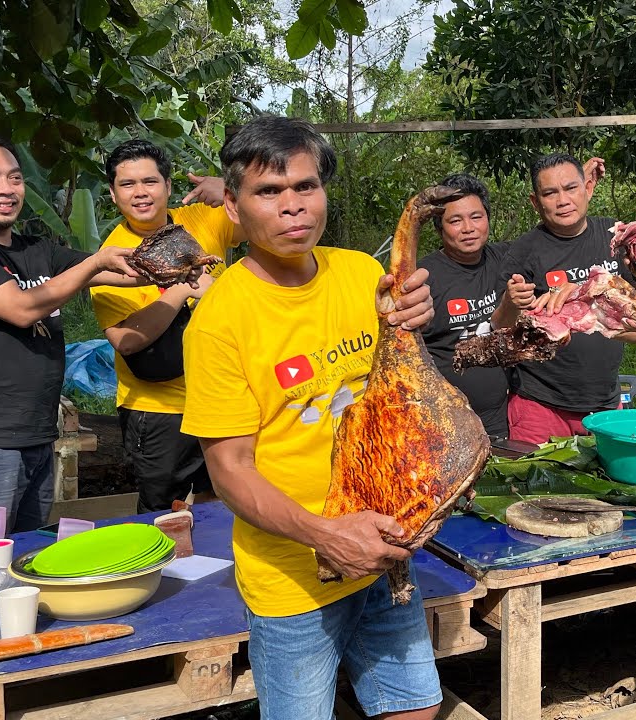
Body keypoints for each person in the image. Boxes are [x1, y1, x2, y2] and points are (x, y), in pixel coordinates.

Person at [180, 116, 442, 719]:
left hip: (383, 551)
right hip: (291, 577)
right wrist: (327, 536)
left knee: (414, 709)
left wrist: (406, 330)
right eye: (269, 192)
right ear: (234, 205)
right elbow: (229, 472)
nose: (292, 206)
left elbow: (396, 398)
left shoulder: (357, 273)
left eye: (306, 186)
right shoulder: (219, 321)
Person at [0, 135, 150, 542]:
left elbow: (120, 272)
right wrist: (96, 259)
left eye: (14, 177)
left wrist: (176, 262)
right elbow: (22, 308)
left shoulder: (37, 250)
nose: (6, 189)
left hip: (37, 434)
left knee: (24, 550)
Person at [89, 139, 241, 513]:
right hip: (158, 408)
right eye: (127, 185)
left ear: (168, 187)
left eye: (150, 181)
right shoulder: (112, 257)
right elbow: (125, 340)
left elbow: (268, 211)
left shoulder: (202, 219)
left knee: (224, 499)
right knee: (162, 511)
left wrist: (228, 187)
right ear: (112, 195)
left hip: (222, 396)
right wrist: (185, 287)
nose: (140, 193)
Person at [500, 153, 636, 444]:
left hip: (605, 401)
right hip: (540, 405)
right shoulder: (523, 251)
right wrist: (511, 301)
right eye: (550, 193)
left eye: (571, 188)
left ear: (587, 189)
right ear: (536, 202)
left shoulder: (614, 236)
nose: (563, 200)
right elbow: (501, 327)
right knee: (535, 488)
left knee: (608, 487)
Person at [416, 172, 513, 437]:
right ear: (439, 228)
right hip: (446, 423)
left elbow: (551, 240)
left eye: (476, 217)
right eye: (455, 221)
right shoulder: (423, 277)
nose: (468, 228)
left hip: (499, 419)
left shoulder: (506, 258)